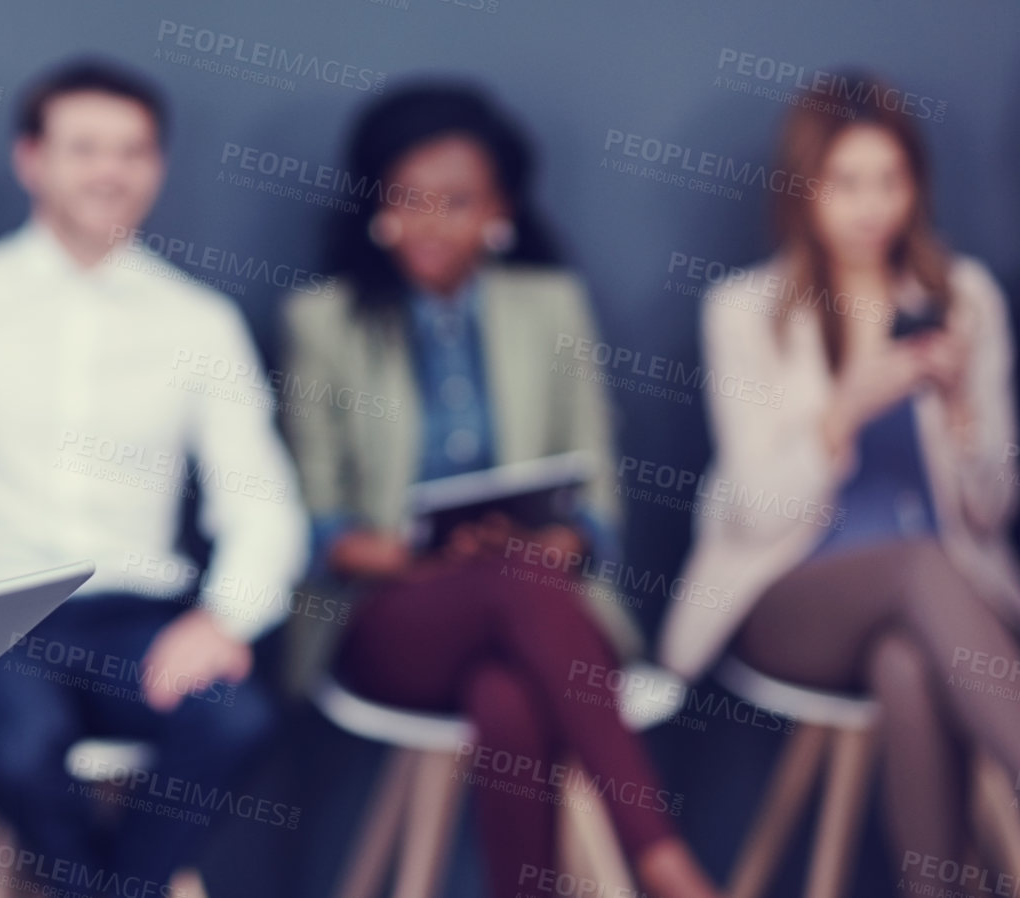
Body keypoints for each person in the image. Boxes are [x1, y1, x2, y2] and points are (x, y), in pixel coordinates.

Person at [0, 57, 306, 897]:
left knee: (235, 716)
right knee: (18, 736)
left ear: (158, 167)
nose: (109, 171)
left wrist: (225, 618)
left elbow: (261, 498)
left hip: (134, 618)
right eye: (84, 148)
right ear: (31, 159)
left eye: (132, 150)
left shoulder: (198, 322)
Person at [280, 84, 718, 898]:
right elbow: (321, 523)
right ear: (377, 204)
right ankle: (664, 862)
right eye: (408, 199)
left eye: (456, 202)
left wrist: (562, 539)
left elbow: (595, 493)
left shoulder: (548, 308)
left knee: (507, 696)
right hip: (386, 615)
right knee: (512, 581)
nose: (430, 222)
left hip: (534, 606)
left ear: (498, 211)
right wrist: (422, 553)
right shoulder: (325, 322)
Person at [662, 73, 1020, 888]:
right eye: (845, 184)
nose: (870, 207)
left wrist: (961, 412)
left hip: (942, 610)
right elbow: (754, 513)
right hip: (789, 597)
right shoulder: (745, 310)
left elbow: (993, 509)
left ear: (916, 186)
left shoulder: (964, 300)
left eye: (889, 181)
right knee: (915, 562)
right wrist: (842, 410)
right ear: (804, 191)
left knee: (905, 659)